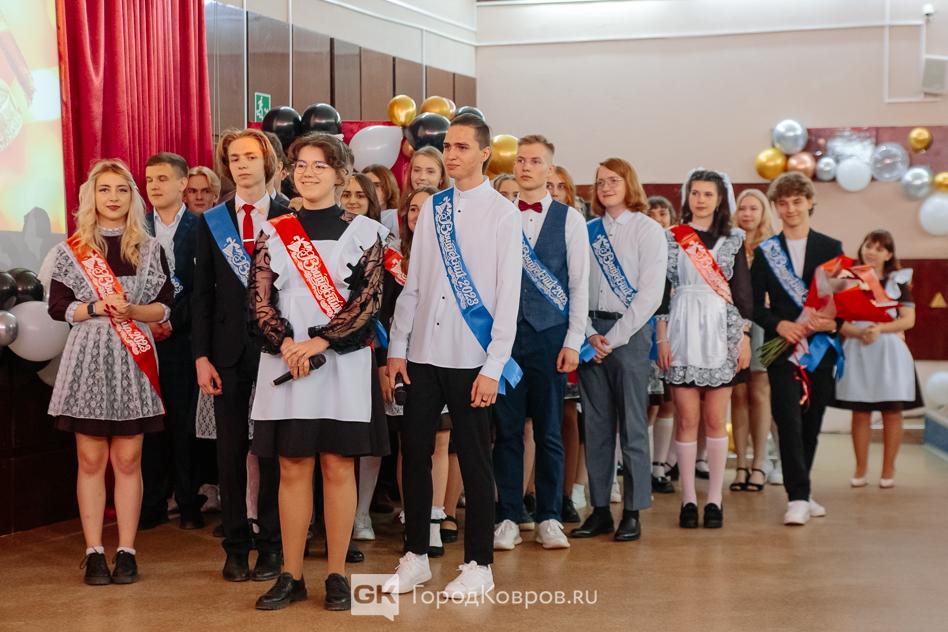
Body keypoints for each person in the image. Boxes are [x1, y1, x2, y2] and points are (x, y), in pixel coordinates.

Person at [383, 113, 521, 597]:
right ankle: (415, 556)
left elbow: (508, 298)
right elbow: (415, 284)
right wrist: (397, 348)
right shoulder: (434, 208)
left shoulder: (504, 214)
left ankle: (479, 565)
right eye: (448, 146)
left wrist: (494, 367)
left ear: (485, 153)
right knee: (415, 454)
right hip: (423, 353)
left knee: (475, 461)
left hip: (472, 358)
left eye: (462, 147)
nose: (452, 154)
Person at [249, 132, 388, 611]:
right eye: (301, 165)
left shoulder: (367, 231)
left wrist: (319, 341)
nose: (308, 174)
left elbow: (368, 301)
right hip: (286, 360)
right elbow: (260, 296)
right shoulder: (274, 230)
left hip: (340, 364)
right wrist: (287, 343)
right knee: (291, 466)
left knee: (337, 465)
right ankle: (290, 574)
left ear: (341, 174)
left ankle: (336, 574)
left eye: (320, 166)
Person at [47, 158, 174, 585]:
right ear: (92, 196)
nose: (113, 197)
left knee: (128, 458)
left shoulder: (150, 249)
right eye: (105, 189)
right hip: (88, 357)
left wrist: (134, 311)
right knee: (90, 458)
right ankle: (94, 551)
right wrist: (97, 307)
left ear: (132, 197)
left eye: (121, 189)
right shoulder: (73, 250)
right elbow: (59, 308)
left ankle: (127, 550)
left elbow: (165, 306)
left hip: (133, 359)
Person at [192, 128, 287, 579]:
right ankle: (234, 546)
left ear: (267, 161)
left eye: (250, 156)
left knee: (272, 451)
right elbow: (201, 296)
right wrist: (201, 356)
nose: (242, 164)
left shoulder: (290, 215)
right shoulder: (212, 221)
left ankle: (272, 545)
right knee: (229, 454)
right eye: (234, 158)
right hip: (225, 353)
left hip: (277, 350)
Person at [492, 134, 589, 552]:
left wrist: (573, 340)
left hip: (550, 336)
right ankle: (509, 516)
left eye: (535, 161)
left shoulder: (570, 220)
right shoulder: (499, 215)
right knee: (507, 431)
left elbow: (579, 284)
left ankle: (550, 516)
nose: (526, 167)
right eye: (520, 160)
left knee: (550, 431)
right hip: (505, 337)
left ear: (550, 170)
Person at [570, 158, 667, 542]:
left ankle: (632, 510)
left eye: (614, 180)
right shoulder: (587, 230)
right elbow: (576, 286)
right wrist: (589, 333)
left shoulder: (648, 230)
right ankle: (599, 510)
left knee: (633, 425)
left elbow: (650, 295)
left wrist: (614, 337)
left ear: (630, 184)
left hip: (630, 333)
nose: (606, 187)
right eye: (600, 182)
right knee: (595, 426)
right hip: (591, 333)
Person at [656, 169, 752, 529]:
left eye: (708, 194)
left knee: (715, 419)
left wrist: (744, 337)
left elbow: (742, 292)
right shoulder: (672, 237)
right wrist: (661, 337)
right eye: (695, 193)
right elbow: (663, 291)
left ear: (719, 199)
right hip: (681, 329)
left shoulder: (734, 239)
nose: (700, 200)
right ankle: (687, 499)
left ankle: (714, 498)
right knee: (686, 419)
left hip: (720, 331)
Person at [751, 172, 843, 526]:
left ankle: (803, 488)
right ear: (775, 207)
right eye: (783, 203)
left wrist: (834, 324)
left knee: (811, 421)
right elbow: (753, 304)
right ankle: (798, 497)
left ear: (810, 202)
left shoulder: (831, 248)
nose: (790, 209)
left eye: (797, 201)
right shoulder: (766, 252)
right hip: (782, 346)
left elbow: (843, 300)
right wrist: (778, 324)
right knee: (787, 419)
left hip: (820, 347)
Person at [140, 152, 204, 530]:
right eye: (149, 180)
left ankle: (188, 500)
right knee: (148, 423)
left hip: (183, 339)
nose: (154, 186)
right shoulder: (136, 227)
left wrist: (169, 322)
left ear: (182, 184)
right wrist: (148, 324)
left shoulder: (202, 227)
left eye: (162, 179)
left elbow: (202, 290)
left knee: (183, 424)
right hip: (142, 339)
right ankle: (152, 502)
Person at [836, 230, 921, 488]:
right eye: (868, 246)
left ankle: (888, 469)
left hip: (889, 350)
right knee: (860, 411)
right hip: (858, 347)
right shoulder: (848, 279)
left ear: (889, 254)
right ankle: (860, 468)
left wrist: (880, 329)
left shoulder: (898, 280)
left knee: (892, 411)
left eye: (879, 248)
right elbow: (838, 320)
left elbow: (908, 319)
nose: (871, 252)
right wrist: (859, 332)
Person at [729, 188, 778, 492]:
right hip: (733, 325)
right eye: (742, 208)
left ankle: (760, 462)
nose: (747, 214)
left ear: (763, 214)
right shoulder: (728, 243)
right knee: (737, 394)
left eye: (753, 209)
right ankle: (741, 464)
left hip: (762, 325)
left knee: (760, 392)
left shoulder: (772, 247)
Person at [645, 195, 677, 495]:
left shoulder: (681, 246)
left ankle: (660, 465)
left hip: (678, 330)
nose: (657, 218)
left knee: (668, 401)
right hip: (648, 328)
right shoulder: (642, 243)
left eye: (663, 212)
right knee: (649, 401)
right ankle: (641, 465)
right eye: (650, 213)